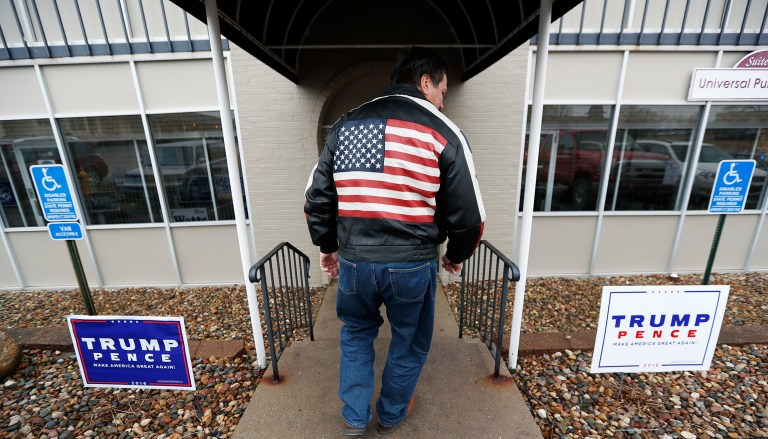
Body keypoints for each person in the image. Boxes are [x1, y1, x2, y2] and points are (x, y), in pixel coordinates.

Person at [304, 46, 485, 436]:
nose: (442, 99)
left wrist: (327, 247)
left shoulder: (345, 125)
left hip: (354, 261)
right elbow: (470, 218)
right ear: (425, 82)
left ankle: (354, 417)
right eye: (443, 91)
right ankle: (390, 414)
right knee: (409, 341)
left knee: (355, 335)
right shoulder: (443, 132)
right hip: (412, 263)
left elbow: (316, 199)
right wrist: (456, 255)